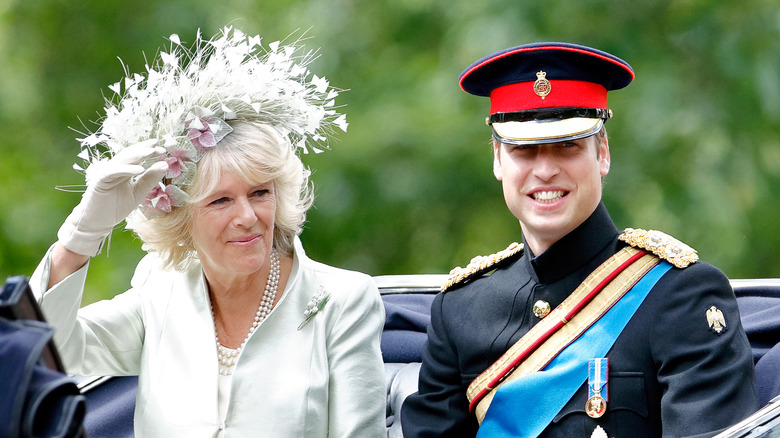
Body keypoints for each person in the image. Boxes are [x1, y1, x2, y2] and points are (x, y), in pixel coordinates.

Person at [29, 27, 387, 437]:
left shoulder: (342, 301)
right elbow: (52, 352)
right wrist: (80, 235)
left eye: (259, 193)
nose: (248, 216)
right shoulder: (160, 291)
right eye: (220, 201)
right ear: (181, 218)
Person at [401, 42, 759, 437]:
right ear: (498, 161)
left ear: (602, 154)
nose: (546, 170)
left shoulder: (682, 296)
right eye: (524, 150)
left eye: (567, 146)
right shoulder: (459, 311)